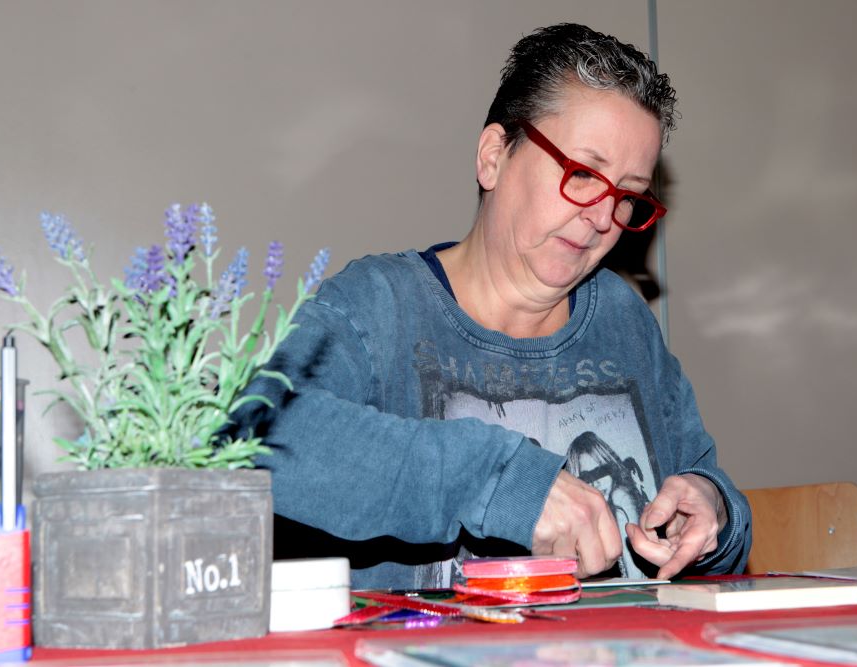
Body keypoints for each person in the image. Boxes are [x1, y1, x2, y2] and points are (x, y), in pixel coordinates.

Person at [233, 22, 751, 589]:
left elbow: (709, 500)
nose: (604, 218)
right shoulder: (381, 308)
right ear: (493, 157)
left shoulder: (623, 321)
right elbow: (251, 433)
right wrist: (503, 482)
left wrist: (713, 510)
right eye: (582, 174)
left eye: (627, 195)